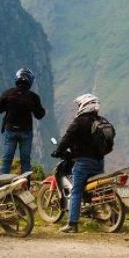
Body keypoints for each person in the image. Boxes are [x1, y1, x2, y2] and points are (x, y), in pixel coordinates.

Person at [52, 93, 108, 233]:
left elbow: (66, 139)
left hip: (83, 162)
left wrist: (58, 151)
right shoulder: (101, 121)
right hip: (99, 161)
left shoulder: (79, 122)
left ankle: (72, 224)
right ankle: (98, 214)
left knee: (76, 191)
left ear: (85, 105)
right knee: (94, 190)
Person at [0, 68, 46, 175]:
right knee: (25, 161)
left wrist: (8, 106)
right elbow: (39, 115)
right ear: (30, 81)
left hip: (10, 130)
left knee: (7, 159)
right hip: (26, 132)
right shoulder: (33, 97)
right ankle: (25, 186)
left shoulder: (8, 93)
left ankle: (1, 184)